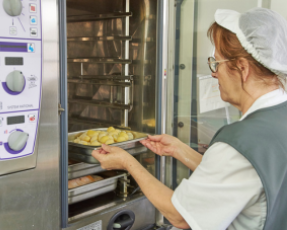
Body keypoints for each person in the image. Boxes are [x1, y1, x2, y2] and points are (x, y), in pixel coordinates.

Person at [92, 7, 287, 230]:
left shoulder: (240, 142)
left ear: (242, 68)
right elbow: (239, 178)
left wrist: (128, 163)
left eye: (216, 64)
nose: (213, 73)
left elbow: (181, 216)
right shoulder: (279, 117)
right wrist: (179, 150)